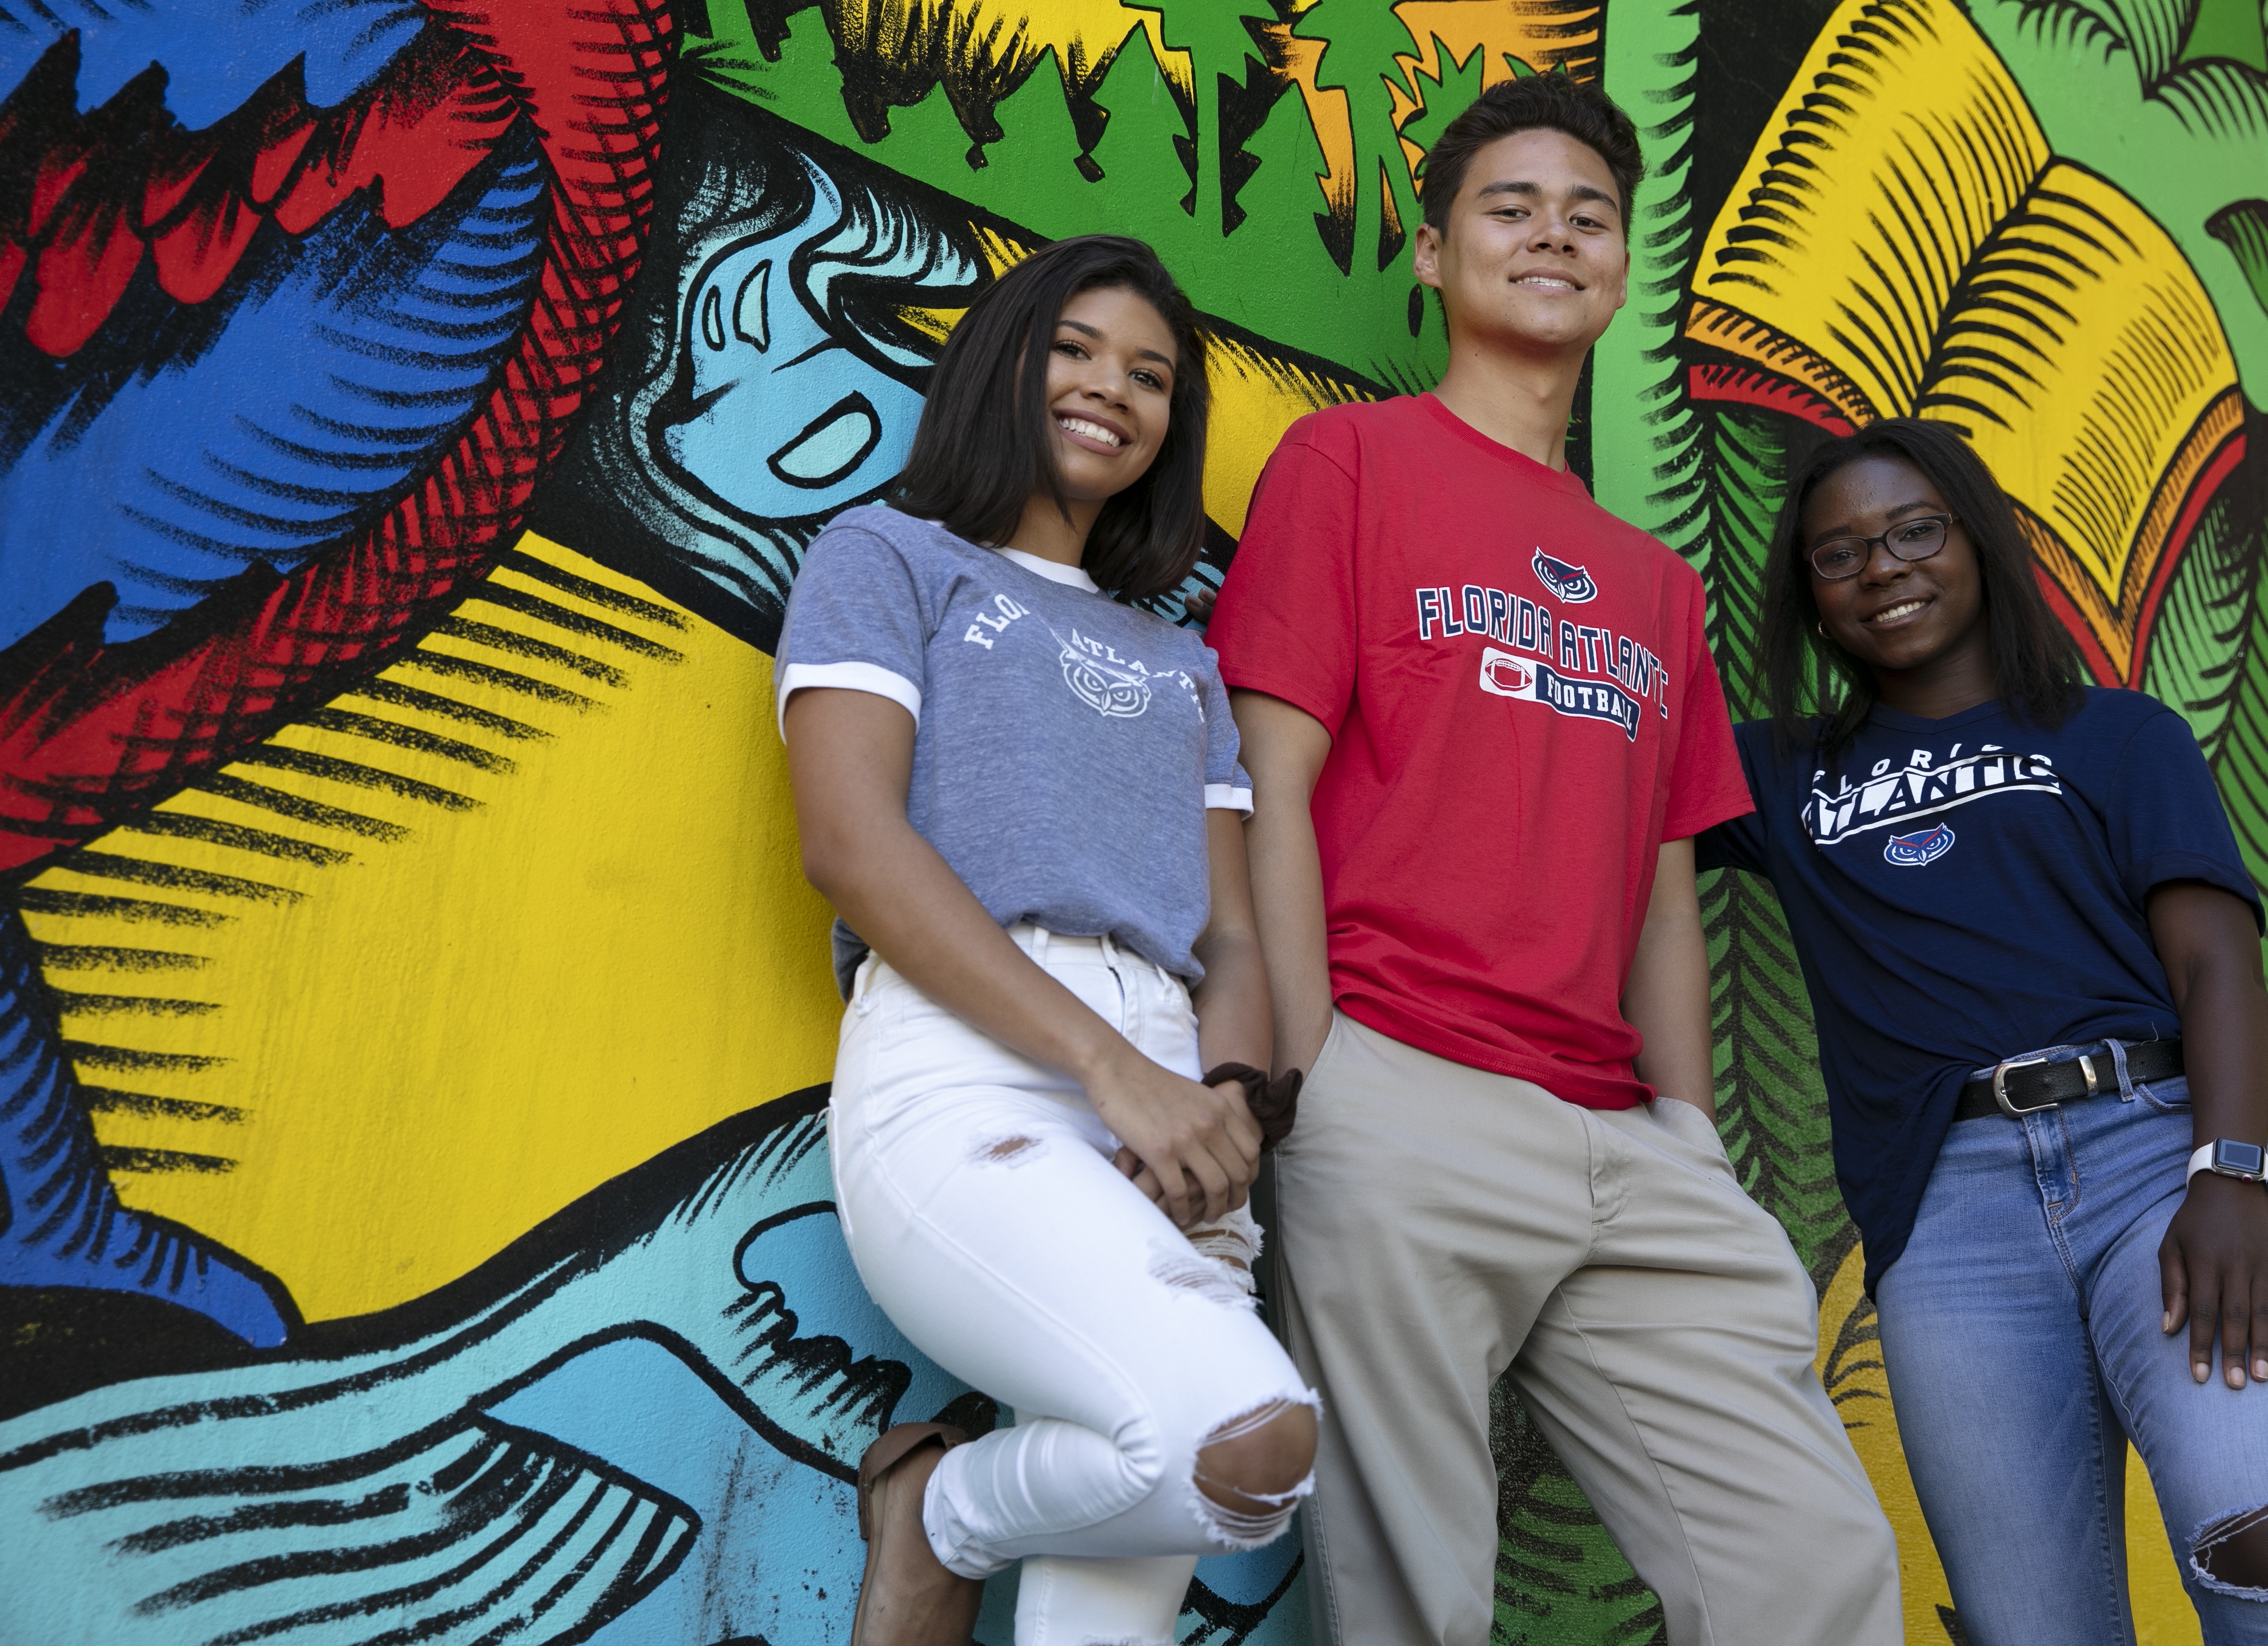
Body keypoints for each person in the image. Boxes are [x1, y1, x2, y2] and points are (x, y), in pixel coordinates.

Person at [1205, 70, 1902, 1646]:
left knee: (1812, 1572)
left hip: (1624, 1140)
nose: (1554, 236)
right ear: (1437, 256)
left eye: (1590, 216)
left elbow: (1663, 878)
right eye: (1510, 208)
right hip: (1399, 1092)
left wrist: (1692, 1134)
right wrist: (1313, 1074)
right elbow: (1269, 775)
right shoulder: (1351, 465)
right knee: (1416, 1600)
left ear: (1620, 268)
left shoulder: (1655, 584)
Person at [1698, 417, 2268, 1643]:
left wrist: (2230, 1176)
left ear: (1976, 543)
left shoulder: (2118, 735)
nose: (1882, 567)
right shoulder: (1782, 777)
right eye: (1838, 555)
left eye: (1913, 531)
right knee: (2033, 1629)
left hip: (2154, 1164)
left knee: (2266, 1543)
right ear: (1810, 595)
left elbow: (2217, 963)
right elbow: (1588, 765)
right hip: (1951, 1227)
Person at [778, 234, 1318, 1646]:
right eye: (1074, 349)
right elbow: (850, 844)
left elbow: (1235, 941)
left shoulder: (1178, 658)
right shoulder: (887, 557)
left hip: (1178, 1112)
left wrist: (1227, 1106)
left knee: (1135, 1596)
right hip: (975, 1076)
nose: (1110, 390)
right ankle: (944, 1514)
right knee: (1244, 1443)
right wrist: (1106, 1066)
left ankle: (942, 1510)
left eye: (1149, 376)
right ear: (1002, 362)